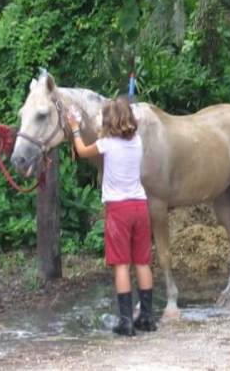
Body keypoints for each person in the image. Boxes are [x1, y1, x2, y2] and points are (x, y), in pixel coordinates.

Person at [67, 97, 156, 336]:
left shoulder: (106, 143)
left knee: (121, 265)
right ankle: (147, 317)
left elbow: (82, 150)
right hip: (140, 205)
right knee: (142, 262)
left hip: (118, 209)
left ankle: (126, 321)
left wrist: (75, 128)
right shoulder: (137, 141)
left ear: (109, 121)